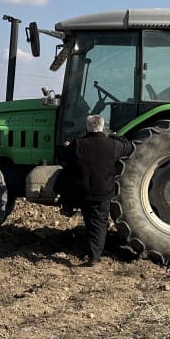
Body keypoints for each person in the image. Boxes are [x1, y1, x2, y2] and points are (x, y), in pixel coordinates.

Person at [58, 114, 133, 266]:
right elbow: (129, 147)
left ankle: (67, 205)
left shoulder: (78, 144)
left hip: (83, 192)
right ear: (102, 127)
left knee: (90, 221)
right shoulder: (113, 144)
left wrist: (66, 146)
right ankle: (94, 257)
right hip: (103, 193)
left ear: (87, 127)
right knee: (98, 223)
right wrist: (117, 137)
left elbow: (62, 154)